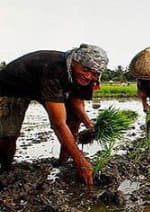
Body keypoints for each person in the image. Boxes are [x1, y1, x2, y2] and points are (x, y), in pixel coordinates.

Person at [0, 44, 108, 185]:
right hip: (14, 87)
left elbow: (77, 104)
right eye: (85, 69)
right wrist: (81, 162)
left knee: (74, 122)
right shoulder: (54, 68)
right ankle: (6, 171)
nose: (88, 75)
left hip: (44, 88)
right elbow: (59, 124)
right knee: (9, 135)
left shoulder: (89, 78)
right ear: (74, 62)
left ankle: (62, 164)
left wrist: (89, 124)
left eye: (94, 73)